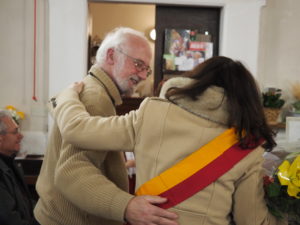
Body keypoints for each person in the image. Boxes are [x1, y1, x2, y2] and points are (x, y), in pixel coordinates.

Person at [49, 56, 288, 225]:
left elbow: (76, 129)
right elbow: (251, 219)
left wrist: (67, 97)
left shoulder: (152, 114)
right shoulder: (246, 146)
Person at [34, 27, 178, 225]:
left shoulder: (94, 91)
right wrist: (126, 206)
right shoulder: (96, 98)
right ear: (111, 56)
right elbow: (71, 174)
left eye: (147, 69)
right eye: (138, 64)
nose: (143, 76)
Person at [0, 110, 39, 225]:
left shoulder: (12, 163)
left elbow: (26, 203)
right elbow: (9, 219)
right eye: (15, 132)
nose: (21, 136)